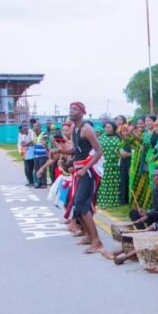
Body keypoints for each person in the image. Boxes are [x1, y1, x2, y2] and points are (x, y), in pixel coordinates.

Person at [68, 102, 104, 254]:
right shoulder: (73, 129)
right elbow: (75, 150)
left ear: (82, 112)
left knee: (82, 204)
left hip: (88, 172)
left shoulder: (86, 129)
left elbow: (98, 152)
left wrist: (84, 169)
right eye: (70, 108)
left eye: (75, 109)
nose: (71, 111)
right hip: (79, 170)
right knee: (76, 205)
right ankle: (89, 236)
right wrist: (59, 152)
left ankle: (97, 241)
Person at [96, 120, 122, 208]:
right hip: (104, 163)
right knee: (104, 183)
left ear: (113, 128)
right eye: (106, 127)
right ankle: (103, 201)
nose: (107, 129)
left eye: (109, 127)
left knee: (114, 183)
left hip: (115, 164)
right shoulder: (100, 138)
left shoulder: (118, 138)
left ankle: (114, 201)